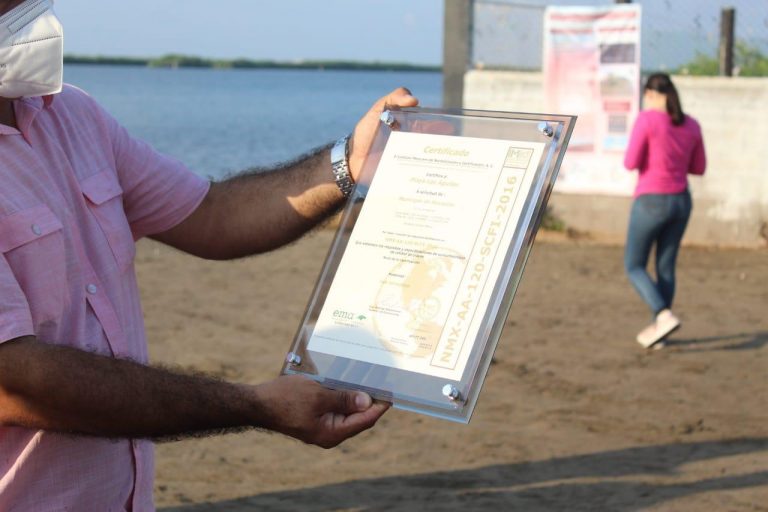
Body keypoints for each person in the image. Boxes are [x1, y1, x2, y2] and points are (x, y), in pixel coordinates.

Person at [0, 0, 418, 509]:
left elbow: (214, 215)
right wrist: (253, 406)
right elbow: (15, 379)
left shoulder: (72, 114)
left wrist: (350, 160)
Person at [623, 73, 706, 349]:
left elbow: (630, 161)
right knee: (665, 267)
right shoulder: (691, 124)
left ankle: (662, 314)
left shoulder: (646, 120)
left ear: (652, 95)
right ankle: (662, 333)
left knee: (634, 265)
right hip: (681, 201)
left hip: (651, 201)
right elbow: (698, 168)